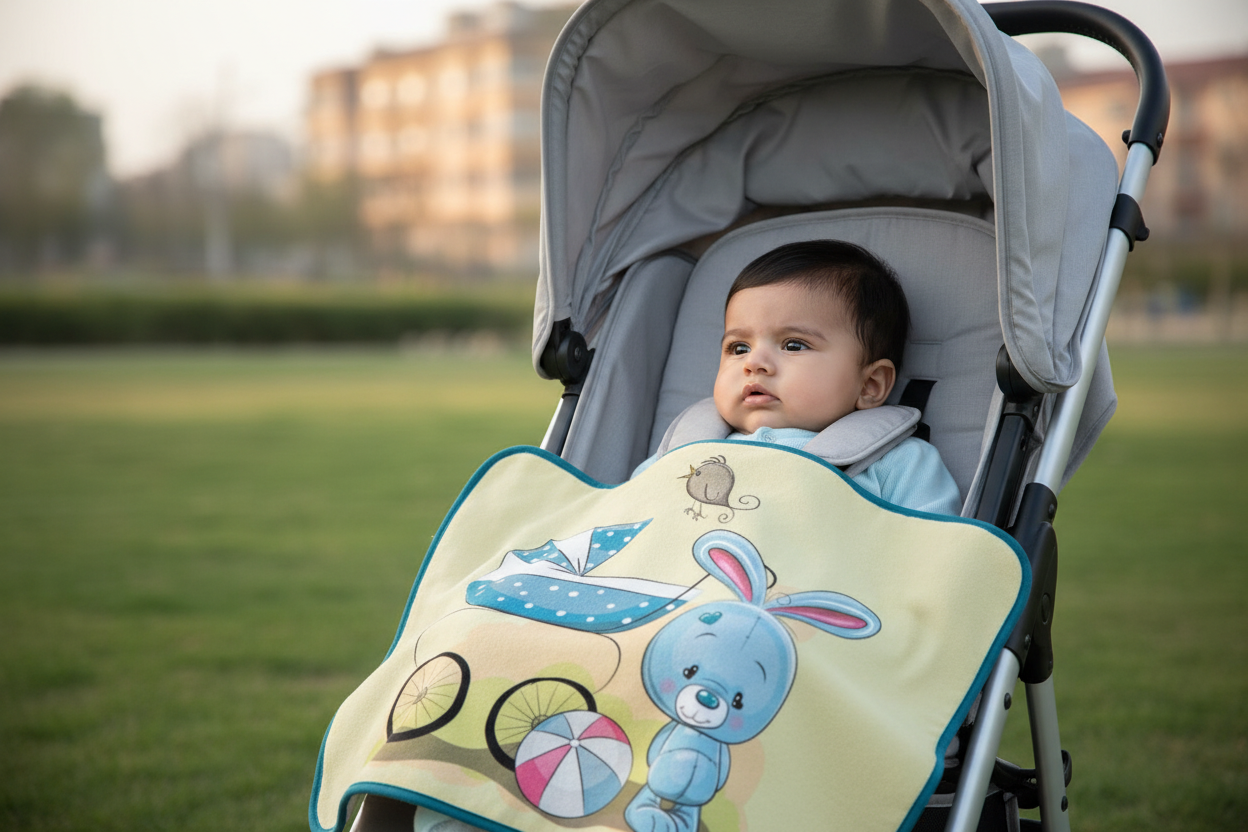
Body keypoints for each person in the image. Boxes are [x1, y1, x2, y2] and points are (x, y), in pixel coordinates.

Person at [633, 239, 961, 516]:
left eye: (793, 345)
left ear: (869, 385)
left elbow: (934, 555)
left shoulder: (897, 463)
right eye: (738, 347)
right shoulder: (684, 448)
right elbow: (621, 514)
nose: (754, 363)